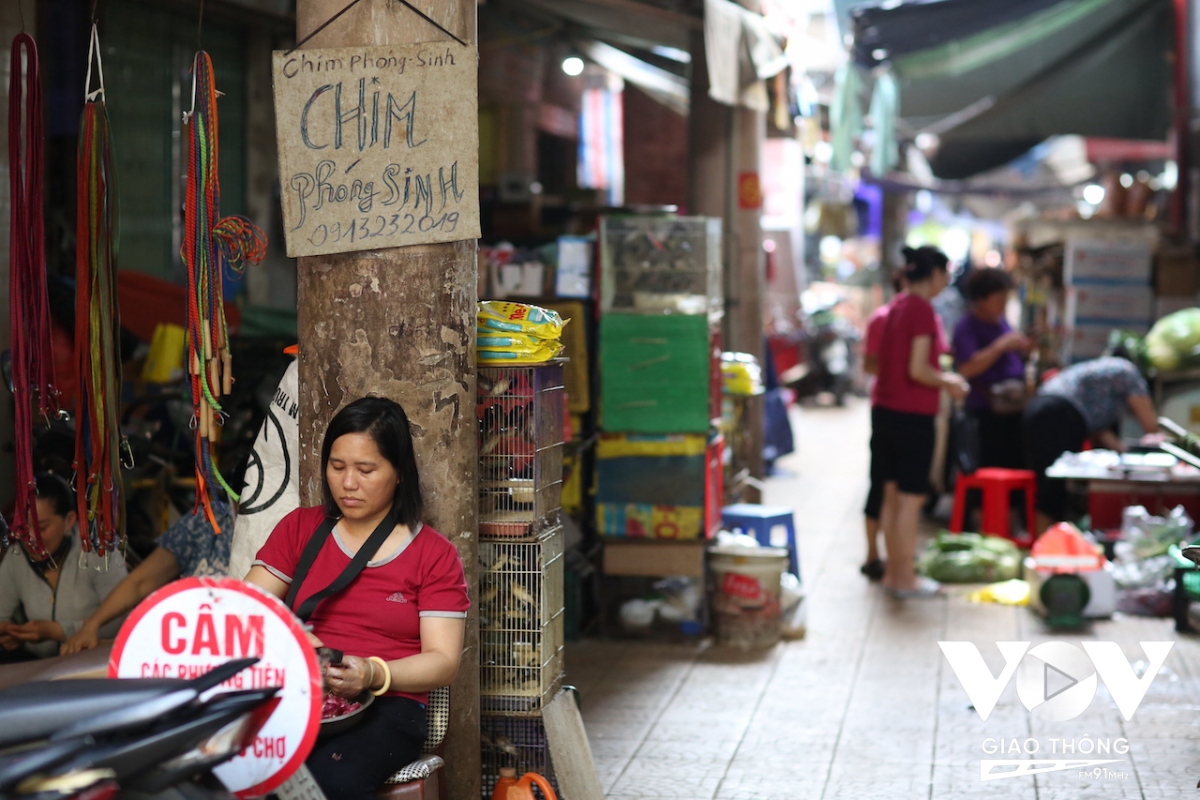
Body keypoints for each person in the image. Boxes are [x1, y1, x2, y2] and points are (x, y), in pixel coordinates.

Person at [244, 397, 468, 800]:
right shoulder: (300, 529)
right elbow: (247, 608)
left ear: (399, 473)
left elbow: (443, 662)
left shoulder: (434, 554)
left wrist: (373, 673)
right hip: (296, 694)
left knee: (330, 780)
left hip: (388, 706)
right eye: (337, 467)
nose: (348, 483)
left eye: (366, 470)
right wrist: (295, 638)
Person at [873, 246, 969, 598]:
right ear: (934, 274)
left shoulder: (895, 305)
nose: (945, 283)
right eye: (945, 275)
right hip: (911, 415)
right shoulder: (922, 311)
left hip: (884, 411)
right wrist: (950, 383)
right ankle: (905, 578)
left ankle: (892, 574)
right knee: (910, 500)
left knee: (892, 497)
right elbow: (918, 369)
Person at [61, 500, 235, 654]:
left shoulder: (262, 539)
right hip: (187, 652)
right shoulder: (209, 520)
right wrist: (92, 625)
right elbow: (140, 582)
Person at [1023, 356, 1161, 533]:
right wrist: (1156, 443)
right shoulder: (1128, 371)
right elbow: (1150, 425)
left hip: (1038, 408)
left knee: (1048, 483)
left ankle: (1046, 544)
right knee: (1053, 486)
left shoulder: (1101, 378)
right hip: (1058, 413)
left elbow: (1100, 430)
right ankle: (1044, 547)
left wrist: (1125, 453)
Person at [0, 473, 128, 659]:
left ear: (69, 521)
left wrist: (58, 631)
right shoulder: (16, 557)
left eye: (41, 528)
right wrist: (9, 633)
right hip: (39, 666)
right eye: (23, 528)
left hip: (92, 663)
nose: (31, 538)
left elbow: (122, 620)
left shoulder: (98, 552)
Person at [952, 267, 1032, 469]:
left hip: (1011, 407)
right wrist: (1001, 345)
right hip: (985, 411)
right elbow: (967, 368)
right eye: (998, 299)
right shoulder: (966, 327)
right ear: (980, 300)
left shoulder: (1001, 321)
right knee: (990, 467)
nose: (1003, 304)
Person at [859, 268, 906, 580]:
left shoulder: (925, 317)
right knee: (882, 481)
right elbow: (869, 363)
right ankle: (873, 553)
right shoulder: (883, 318)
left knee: (901, 487)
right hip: (888, 409)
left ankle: (895, 554)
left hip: (907, 412)